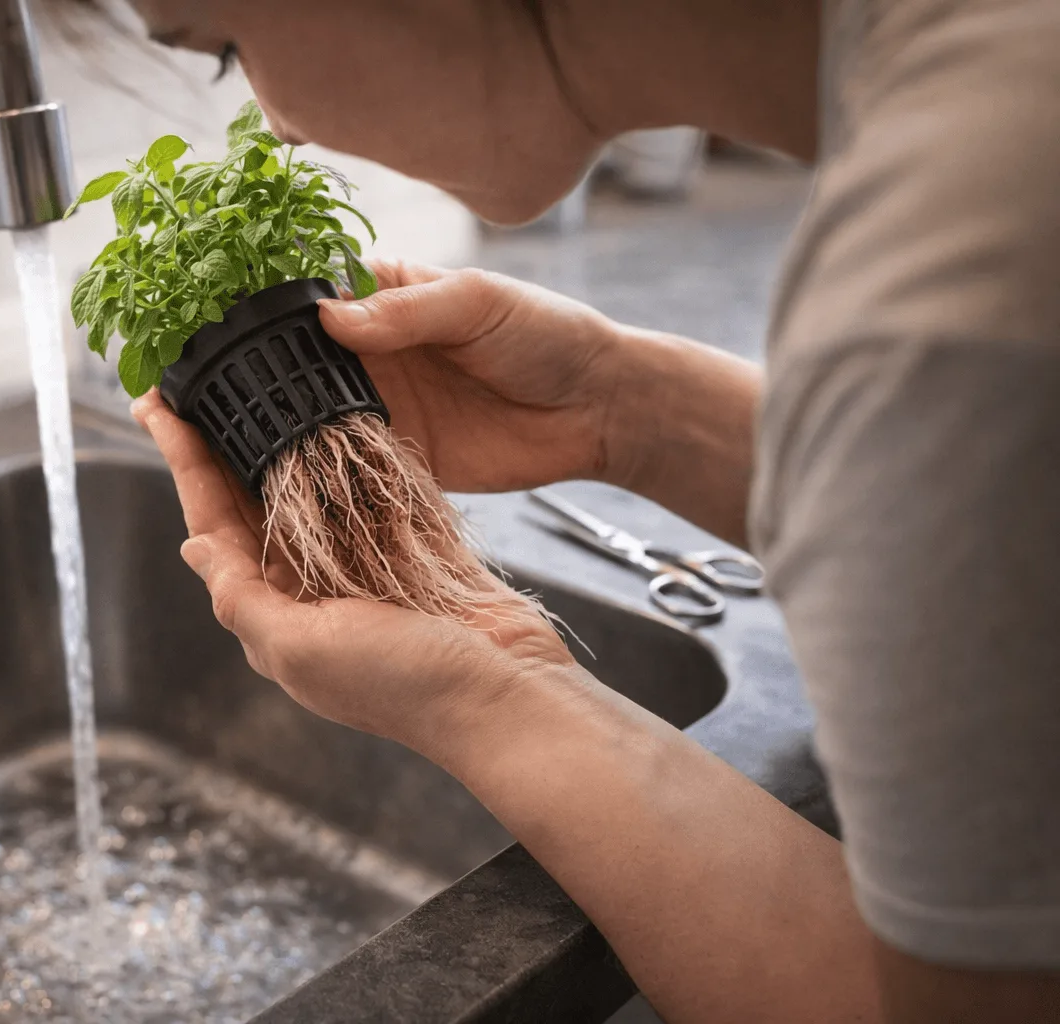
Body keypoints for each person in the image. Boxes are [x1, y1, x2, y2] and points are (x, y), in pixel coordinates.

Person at [97, 1, 1060, 1019]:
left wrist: (490, 694)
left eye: (226, 50)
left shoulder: (967, 279)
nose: (274, 122)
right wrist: (622, 408)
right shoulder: (993, 93)